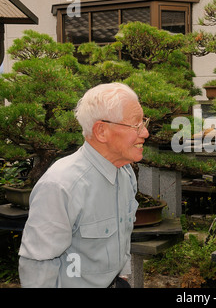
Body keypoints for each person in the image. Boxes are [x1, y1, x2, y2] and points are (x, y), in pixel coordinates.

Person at [18, 82, 150, 287]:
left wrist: (123, 276)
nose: (145, 133)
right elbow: (37, 265)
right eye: (136, 125)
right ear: (101, 131)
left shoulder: (124, 173)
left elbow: (122, 234)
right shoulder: (61, 186)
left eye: (144, 123)